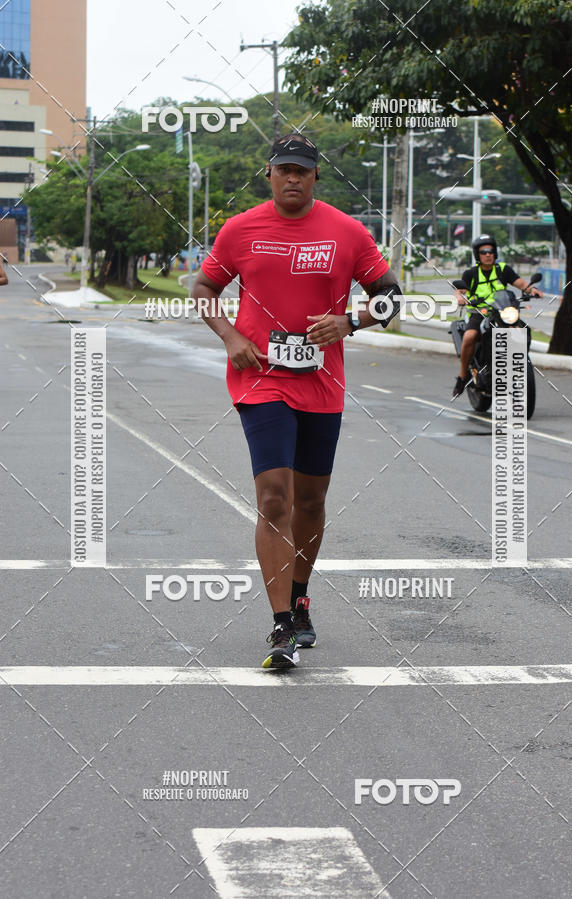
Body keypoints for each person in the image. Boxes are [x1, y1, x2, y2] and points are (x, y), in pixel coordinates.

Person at [192, 133, 401, 669]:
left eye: (302, 171)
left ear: (314, 177)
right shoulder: (241, 230)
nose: (292, 178)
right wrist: (232, 338)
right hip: (261, 380)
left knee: (310, 501)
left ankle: (301, 594)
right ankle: (281, 624)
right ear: (269, 174)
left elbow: (390, 295)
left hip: (322, 383)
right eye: (283, 169)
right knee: (274, 498)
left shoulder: (346, 232)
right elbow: (204, 289)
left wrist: (350, 321)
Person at [452, 234, 542, 397]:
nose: (488, 254)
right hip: (479, 313)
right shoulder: (471, 274)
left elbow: (521, 284)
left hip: (503, 312)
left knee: (522, 329)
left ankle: (518, 362)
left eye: (491, 251)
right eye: (484, 252)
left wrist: (532, 290)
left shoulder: (503, 270)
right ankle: (462, 376)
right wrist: (460, 299)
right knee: (469, 336)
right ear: (477, 255)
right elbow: (460, 291)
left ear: (495, 253)